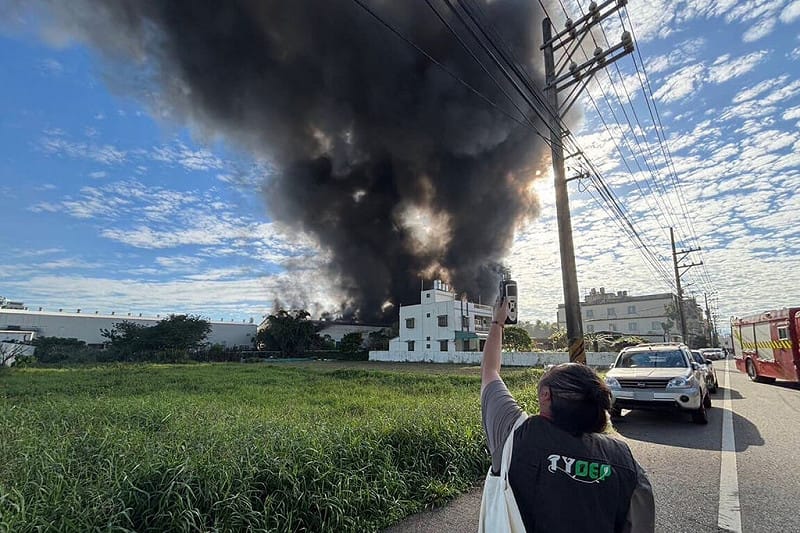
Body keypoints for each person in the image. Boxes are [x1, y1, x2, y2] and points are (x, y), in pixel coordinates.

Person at [481, 297, 655, 533]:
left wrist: (497, 323)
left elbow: (490, 371)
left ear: (546, 395)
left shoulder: (514, 436)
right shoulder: (625, 462)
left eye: (551, 370)